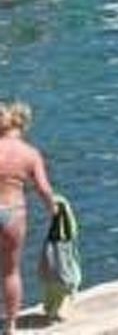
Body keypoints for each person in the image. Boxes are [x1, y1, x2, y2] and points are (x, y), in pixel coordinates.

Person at [0, 99, 57, 335]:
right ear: (24, 127)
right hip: (12, 213)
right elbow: (43, 189)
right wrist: (53, 209)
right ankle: (10, 327)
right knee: (11, 271)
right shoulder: (30, 154)